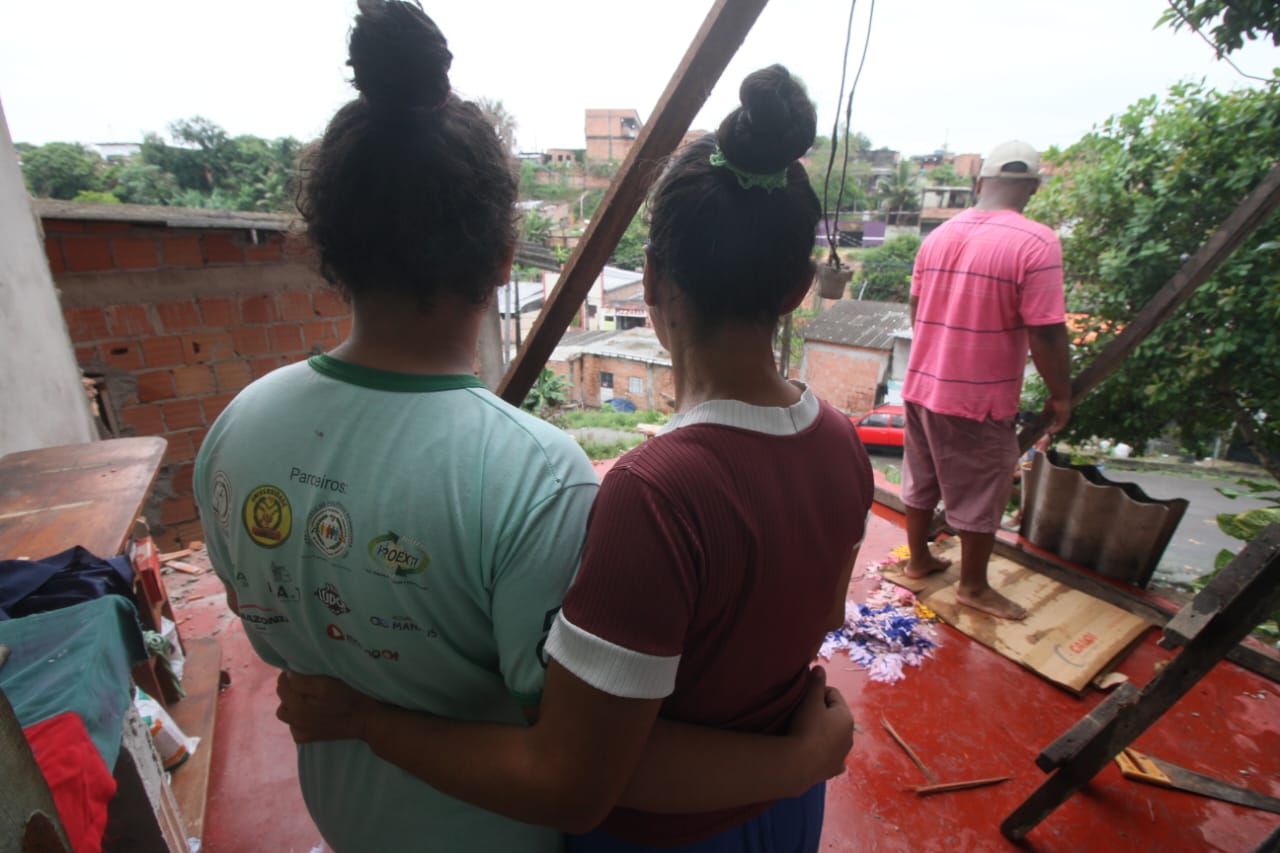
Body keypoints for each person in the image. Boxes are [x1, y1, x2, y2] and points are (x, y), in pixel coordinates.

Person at [195, 5, 853, 851]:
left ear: (329, 245)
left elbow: (276, 635)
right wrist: (797, 762)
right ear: (505, 254)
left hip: (350, 812)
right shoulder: (540, 475)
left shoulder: (234, 430)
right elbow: (589, 760)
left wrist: (362, 713)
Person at [899, 140, 1071, 620]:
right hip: (978, 398)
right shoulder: (1037, 242)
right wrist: (1061, 394)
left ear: (980, 184)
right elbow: (1046, 330)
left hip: (920, 384)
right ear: (1032, 189)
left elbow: (916, 310)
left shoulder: (937, 237)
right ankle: (972, 587)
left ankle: (918, 561)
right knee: (981, 488)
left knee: (922, 478)